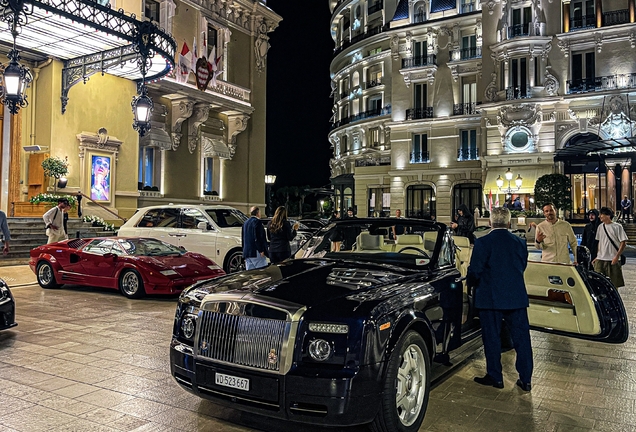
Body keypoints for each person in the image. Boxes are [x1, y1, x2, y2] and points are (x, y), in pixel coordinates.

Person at [467, 207, 532, 391]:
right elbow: (522, 265)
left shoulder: (483, 242)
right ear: (509, 222)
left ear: (490, 222)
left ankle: (495, 376)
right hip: (516, 296)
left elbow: (475, 270)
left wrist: (471, 284)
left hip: (490, 297)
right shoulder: (520, 242)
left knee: (492, 338)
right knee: (522, 339)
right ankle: (525, 379)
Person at [593, 207, 628, 288]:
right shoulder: (600, 227)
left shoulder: (617, 227)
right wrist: (598, 256)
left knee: (613, 284)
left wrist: (617, 256)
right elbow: (600, 242)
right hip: (601, 259)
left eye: (602, 214)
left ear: (608, 215)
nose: (600, 216)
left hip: (612, 259)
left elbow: (623, 242)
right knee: (598, 282)